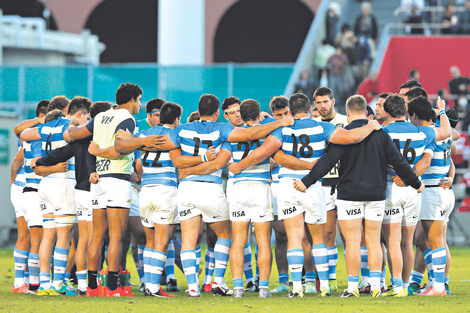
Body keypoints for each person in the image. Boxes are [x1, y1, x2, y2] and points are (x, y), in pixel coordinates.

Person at [229, 93, 382, 298]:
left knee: (294, 238)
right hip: (312, 185)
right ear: (311, 109)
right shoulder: (322, 127)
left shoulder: (282, 129)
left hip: (287, 185)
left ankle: (297, 288)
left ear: (290, 112)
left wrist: (238, 166)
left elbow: (263, 152)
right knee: (317, 239)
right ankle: (325, 287)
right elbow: (350, 137)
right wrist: (371, 126)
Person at [151, 93, 295, 297]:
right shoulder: (230, 131)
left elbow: (162, 145)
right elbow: (251, 146)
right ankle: (257, 287)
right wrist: (278, 121)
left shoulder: (190, 130)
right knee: (255, 240)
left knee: (204, 240)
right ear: (219, 113)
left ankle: (217, 288)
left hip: (215, 189)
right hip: (253, 187)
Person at [293, 94, 424, 298]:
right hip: (376, 194)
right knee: (373, 241)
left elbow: (327, 162)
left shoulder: (343, 134)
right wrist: (416, 183)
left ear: (347, 113)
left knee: (353, 241)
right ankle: (375, 286)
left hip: (349, 194)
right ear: (365, 111)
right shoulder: (380, 134)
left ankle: (353, 287)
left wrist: (306, 181)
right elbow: (399, 162)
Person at [67, 83, 166, 297]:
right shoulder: (127, 119)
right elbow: (121, 147)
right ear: (131, 100)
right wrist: (144, 141)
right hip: (117, 179)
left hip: (98, 181)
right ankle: (112, 287)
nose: (140, 104)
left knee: (96, 235)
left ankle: (92, 287)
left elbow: (75, 134)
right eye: (139, 100)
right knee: (116, 236)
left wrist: (71, 124)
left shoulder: (101, 116)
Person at [20, 96, 90, 296]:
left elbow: (23, 134)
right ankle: (58, 284)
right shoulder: (70, 126)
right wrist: (76, 124)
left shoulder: (45, 128)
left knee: (48, 235)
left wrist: (42, 124)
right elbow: (76, 134)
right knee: (64, 236)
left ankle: (44, 284)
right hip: (63, 183)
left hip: (45, 185)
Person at [381, 95, 451, 297]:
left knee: (393, 240)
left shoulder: (382, 133)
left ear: (387, 113)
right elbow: (446, 131)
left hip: (391, 187)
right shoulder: (422, 132)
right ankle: (407, 282)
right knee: (407, 241)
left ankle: (398, 287)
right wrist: (441, 110)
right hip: (414, 190)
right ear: (404, 111)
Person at [218, 99, 274, 298]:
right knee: (263, 241)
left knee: (239, 241)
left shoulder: (233, 136)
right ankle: (264, 289)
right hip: (260, 187)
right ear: (260, 114)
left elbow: (222, 161)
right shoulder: (268, 132)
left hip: (238, 188)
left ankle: (238, 289)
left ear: (241, 114)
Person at [312, 87, 349, 292]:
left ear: (333, 101)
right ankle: (331, 280)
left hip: (345, 183)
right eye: (318, 103)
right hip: (324, 184)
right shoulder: (314, 125)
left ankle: (363, 281)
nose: (322, 106)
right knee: (328, 233)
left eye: (325, 101)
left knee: (350, 234)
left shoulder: (345, 121)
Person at [11, 100, 49, 294]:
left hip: (25, 188)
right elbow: (17, 160)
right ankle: (26, 282)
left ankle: (23, 281)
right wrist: (13, 185)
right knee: (31, 236)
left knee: (29, 236)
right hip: (26, 188)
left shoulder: (35, 135)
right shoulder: (32, 133)